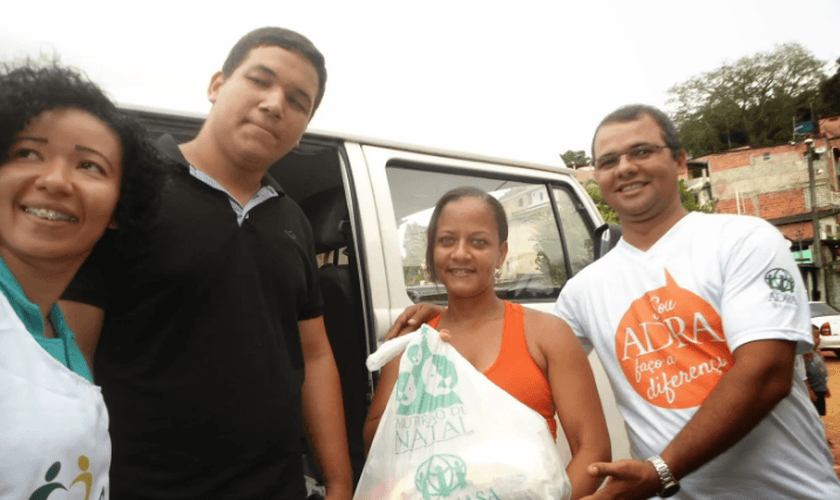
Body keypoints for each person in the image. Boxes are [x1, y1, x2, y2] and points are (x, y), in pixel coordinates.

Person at [389, 105, 840, 499]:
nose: (624, 167)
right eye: (608, 160)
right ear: (596, 175)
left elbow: (766, 374)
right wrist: (451, 316)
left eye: (641, 151)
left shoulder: (741, 238)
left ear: (680, 161)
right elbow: (517, 346)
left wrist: (661, 471)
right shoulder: (584, 290)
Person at [60, 27, 353, 499]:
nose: (276, 104)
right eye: (260, 80)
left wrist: (339, 483)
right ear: (217, 85)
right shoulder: (130, 193)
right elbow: (72, 358)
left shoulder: (291, 221)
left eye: (299, 101)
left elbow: (315, 355)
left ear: (303, 129)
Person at [364, 187, 612, 499]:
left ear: (501, 253)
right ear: (432, 250)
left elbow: (593, 450)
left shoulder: (546, 335)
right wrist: (420, 376)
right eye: (447, 240)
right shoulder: (414, 344)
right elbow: (377, 444)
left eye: (478, 242)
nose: (460, 253)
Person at [0, 62, 164, 499]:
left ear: (118, 208)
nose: (54, 181)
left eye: (89, 166)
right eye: (27, 153)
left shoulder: (57, 330)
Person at [805, 324, 831, 416]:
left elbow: (821, 371)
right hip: (811, 391)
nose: (819, 340)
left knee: (818, 414)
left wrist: (825, 387)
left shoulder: (816, 353)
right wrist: (810, 391)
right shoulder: (805, 356)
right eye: (816, 337)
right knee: (811, 415)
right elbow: (803, 375)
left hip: (819, 389)